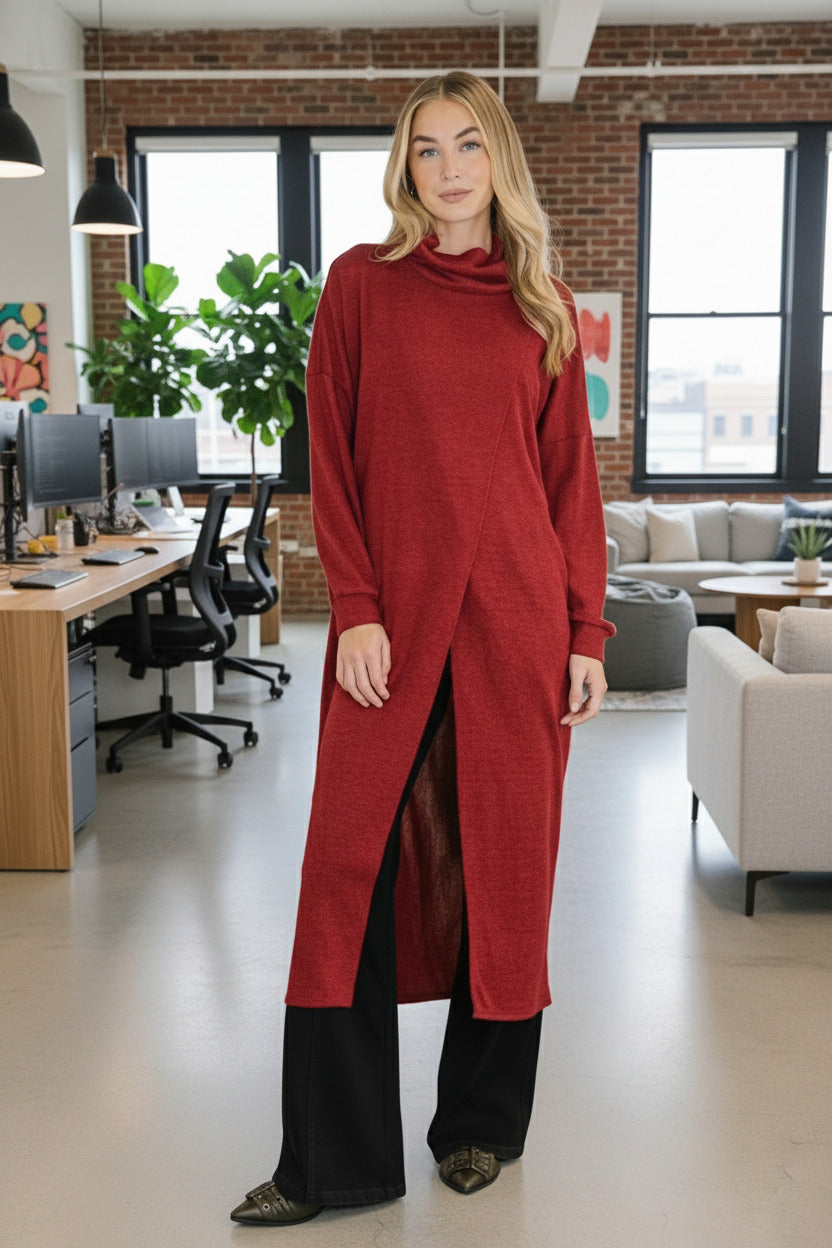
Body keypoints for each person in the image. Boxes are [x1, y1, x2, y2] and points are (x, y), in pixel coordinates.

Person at [230, 69, 614, 1228]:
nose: (446, 170)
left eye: (466, 147)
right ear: (403, 168)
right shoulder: (359, 286)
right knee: (343, 871)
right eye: (425, 150)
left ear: (499, 159)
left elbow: (569, 487)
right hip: (388, 623)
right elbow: (332, 464)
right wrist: (353, 605)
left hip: (516, 625)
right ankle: (329, 1162)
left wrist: (585, 630)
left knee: (506, 869)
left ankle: (481, 1129)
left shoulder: (539, 302)